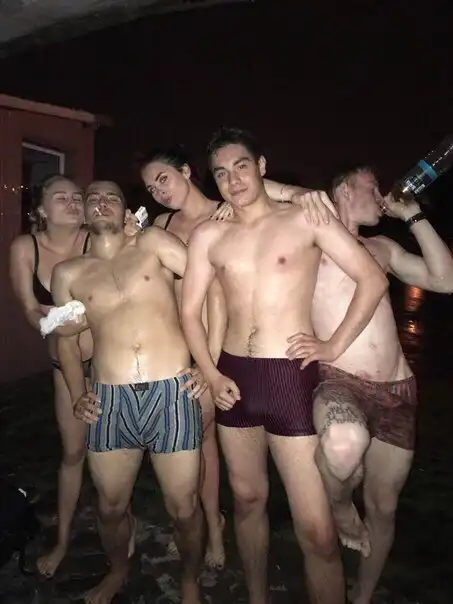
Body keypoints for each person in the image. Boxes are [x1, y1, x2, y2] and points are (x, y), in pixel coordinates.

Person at [181, 127, 389, 604]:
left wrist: (332, 345)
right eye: (221, 173)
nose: (233, 180)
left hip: (290, 379)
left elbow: (372, 279)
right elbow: (190, 311)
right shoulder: (209, 234)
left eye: (242, 166)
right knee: (247, 501)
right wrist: (210, 373)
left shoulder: (305, 218)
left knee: (317, 530)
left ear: (261, 167)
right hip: (233, 377)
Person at [140, 145, 311, 568]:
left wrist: (210, 365)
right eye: (151, 188)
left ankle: (215, 530)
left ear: (186, 171)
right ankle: (206, 522)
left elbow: (220, 299)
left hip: (214, 348)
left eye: (163, 179)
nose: (159, 192)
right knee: (195, 442)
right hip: (174, 345)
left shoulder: (226, 211)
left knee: (204, 436)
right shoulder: (160, 224)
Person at [51, 180, 209, 604]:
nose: (101, 202)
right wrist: (77, 393)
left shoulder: (152, 242)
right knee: (109, 507)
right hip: (109, 399)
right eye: (93, 198)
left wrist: (208, 365)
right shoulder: (68, 274)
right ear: (85, 214)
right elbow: (65, 341)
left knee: (185, 508)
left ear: (125, 212)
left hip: (172, 390)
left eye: (111, 197)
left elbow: (208, 282)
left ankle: (190, 580)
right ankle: (118, 569)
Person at [301, 164, 453, 604]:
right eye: (373, 186)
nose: (382, 194)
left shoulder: (381, 247)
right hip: (340, 381)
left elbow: (445, 280)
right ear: (345, 189)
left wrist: (413, 215)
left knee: (384, 507)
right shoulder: (310, 243)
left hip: (398, 391)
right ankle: (340, 507)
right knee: (341, 447)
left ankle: (364, 596)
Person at [9, 175, 92, 578]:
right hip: (64, 366)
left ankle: (122, 524)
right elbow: (30, 309)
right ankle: (62, 541)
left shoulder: (97, 239)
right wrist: (57, 324)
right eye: (61, 197)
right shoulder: (25, 247)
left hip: (111, 364)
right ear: (42, 208)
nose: (73, 202)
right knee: (74, 454)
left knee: (112, 455)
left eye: (77, 197)